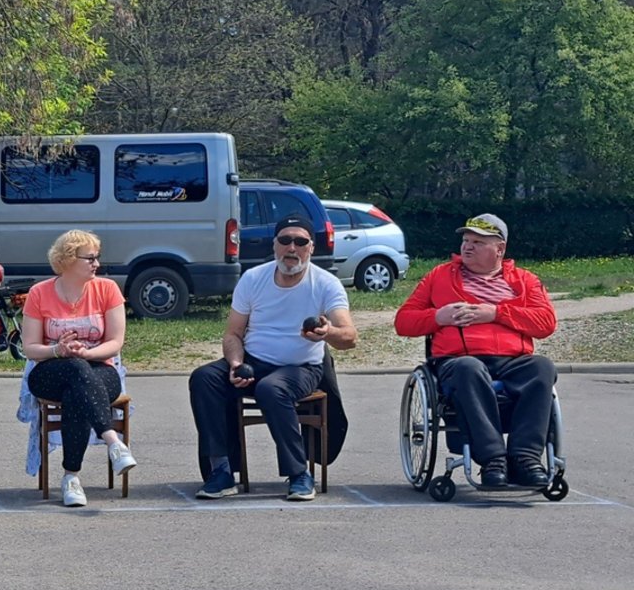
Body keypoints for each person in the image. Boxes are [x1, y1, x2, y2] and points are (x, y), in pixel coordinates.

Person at [189, 214, 357, 501]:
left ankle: (298, 474)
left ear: (311, 248)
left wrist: (327, 331)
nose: (292, 248)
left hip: (301, 367)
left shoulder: (326, 283)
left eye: (300, 242)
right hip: (254, 361)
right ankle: (221, 470)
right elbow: (232, 334)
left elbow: (349, 337)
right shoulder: (253, 278)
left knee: (272, 388)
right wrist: (235, 363)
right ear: (275, 245)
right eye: (285, 240)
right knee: (204, 378)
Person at [394, 213, 558, 488]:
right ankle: (493, 459)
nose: (467, 247)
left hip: (512, 360)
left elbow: (545, 323)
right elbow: (403, 321)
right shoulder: (439, 276)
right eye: (466, 241)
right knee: (469, 369)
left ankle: (525, 458)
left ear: (500, 249)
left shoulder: (525, 280)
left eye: (478, 242)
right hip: (458, 360)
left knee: (541, 368)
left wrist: (495, 313)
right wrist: (438, 317)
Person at [20, 229, 136, 508]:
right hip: (51, 371)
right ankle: (112, 441)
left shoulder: (107, 289)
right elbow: (30, 348)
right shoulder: (39, 293)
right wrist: (58, 350)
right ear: (68, 259)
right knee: (74, 367)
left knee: (78, 390)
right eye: (90, 258)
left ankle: (71, 477)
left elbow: (116, 342)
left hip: (101, 368)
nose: (97, 264)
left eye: (97, 258)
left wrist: (87, 352)